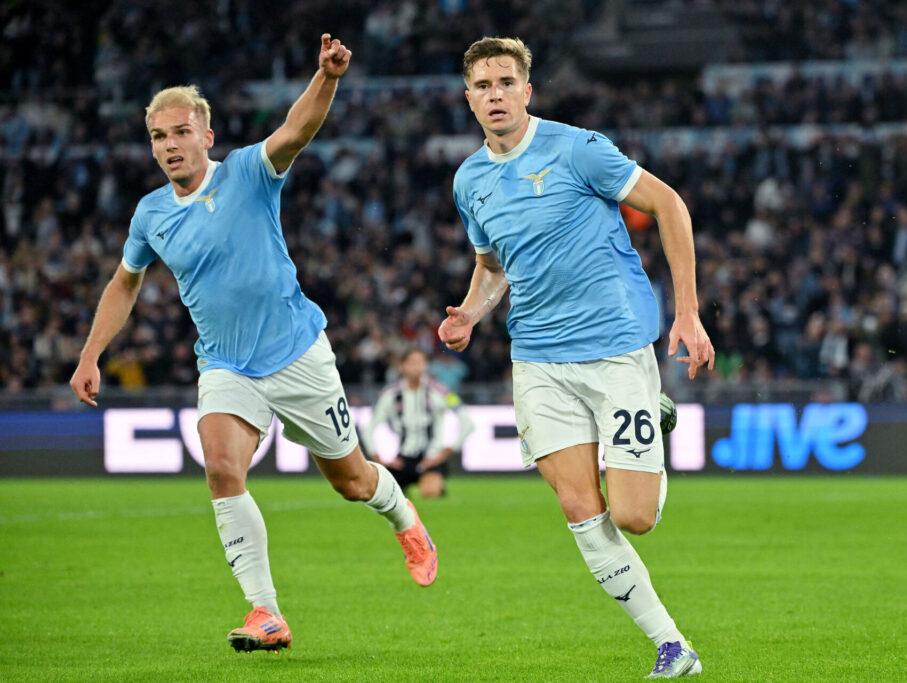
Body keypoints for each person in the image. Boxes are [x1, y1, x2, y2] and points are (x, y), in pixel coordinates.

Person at [68, 34, 438, 654]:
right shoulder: (151, 214)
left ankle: (405, 519)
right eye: (158, 137)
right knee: (220, 467)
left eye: (180, 132)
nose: (169, 146)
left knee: (350, 480)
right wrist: (89, 354)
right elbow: (124, 283)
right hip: (225, 364)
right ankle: (266, 612)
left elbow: (296, 130)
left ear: (206, 136)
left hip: (298, 353)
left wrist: (328, 77)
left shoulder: (246, 170)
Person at [438, 37, 715, 678]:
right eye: (483, 86)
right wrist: (470, 313)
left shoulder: (578, 149)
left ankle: (654, 408)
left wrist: (688, 311)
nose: (495, 95)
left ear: (527, 90)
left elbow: (669, 204)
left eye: (506, 82)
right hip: (537, 361)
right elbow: (491, 267)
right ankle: (672, 645)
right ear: (469, 98)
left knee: (634, 517)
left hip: (615, 348)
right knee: (578, 507)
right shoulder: (469, 180)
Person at [362, 348, 475, 497]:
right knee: (376, 493)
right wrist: (379, 459)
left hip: (431, 460)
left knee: (430, 493)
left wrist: (445, 453)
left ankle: (430, 484)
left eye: (421, 362)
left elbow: (467, 422)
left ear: (426, 366)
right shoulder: (390, 395)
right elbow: (368, 428)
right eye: (411, 363)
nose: (416, 367)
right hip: (403, 459)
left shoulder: (441, 391)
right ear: (401, 366)